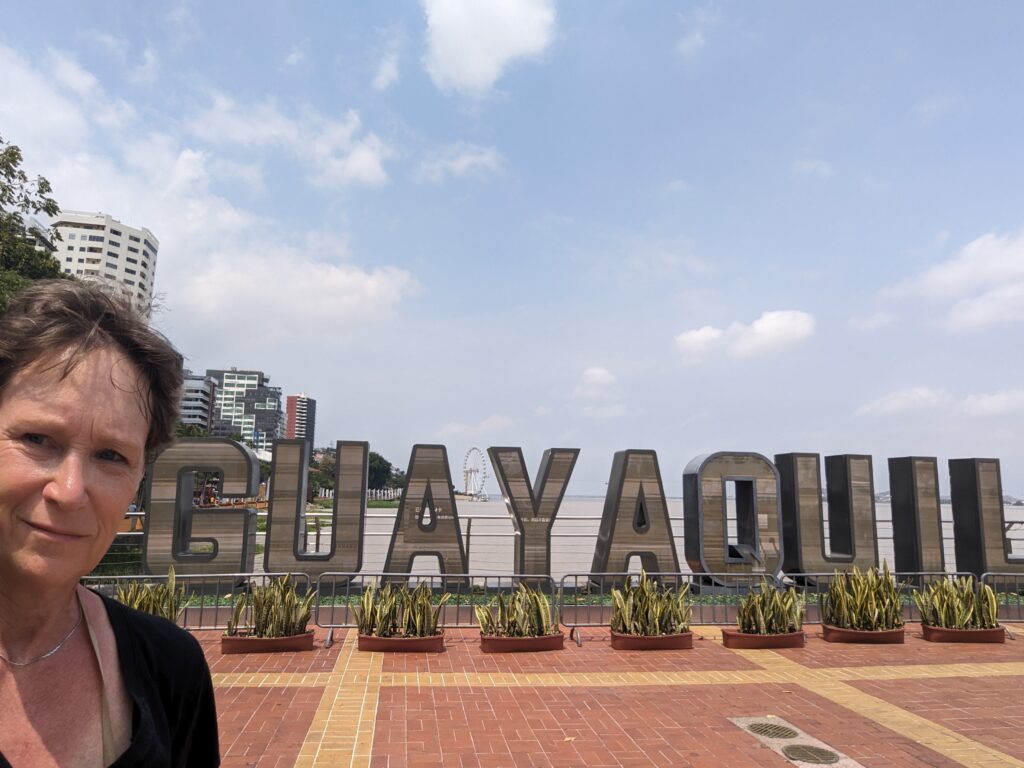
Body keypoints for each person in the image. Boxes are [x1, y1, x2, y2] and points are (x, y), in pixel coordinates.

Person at [0, 281, 219, 767]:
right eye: (37, 439)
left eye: (111, 455)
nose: (70, 490)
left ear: (139, 477)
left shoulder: (171, 668)